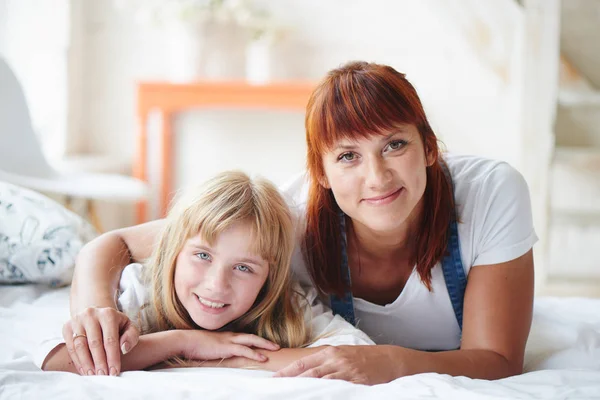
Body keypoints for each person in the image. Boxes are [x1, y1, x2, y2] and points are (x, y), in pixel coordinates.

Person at [66, 61, 536, 385]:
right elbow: (114, 244)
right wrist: (95, 312)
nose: (377, 177)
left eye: (395, 145)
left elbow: (498, 360)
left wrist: (388, 363)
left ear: (430, 148)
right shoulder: (285, 218)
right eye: (348, 156)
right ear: (321, 174)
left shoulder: (489, 193)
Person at [38, 171, 373, 375]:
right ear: (172, 251)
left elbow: (357, 356)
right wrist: (186, 342)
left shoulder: (290, 305)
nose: (217, 285)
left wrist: (228, 357)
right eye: (202, 255)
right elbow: (59, 361)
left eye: (244, 267)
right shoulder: (140, 289)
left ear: (269, 278)